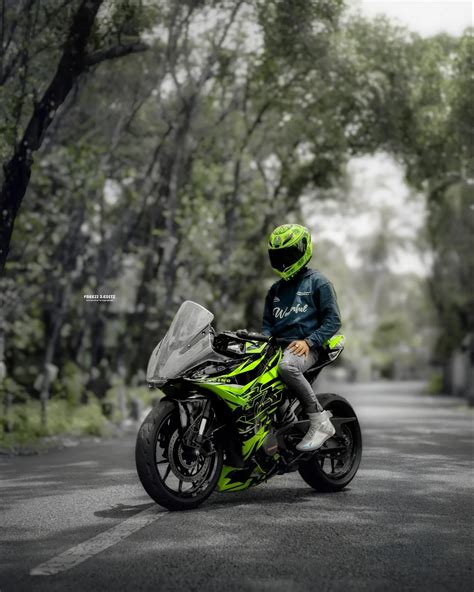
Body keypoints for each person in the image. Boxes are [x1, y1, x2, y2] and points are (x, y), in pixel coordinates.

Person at [262, 223, 341, 451]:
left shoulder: (318, 283)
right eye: (278, 256)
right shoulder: (275, 290)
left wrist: (309, 341)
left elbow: (333, 321)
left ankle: (320, 421)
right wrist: (262, 342)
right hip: (278, 348)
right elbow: (268, 326)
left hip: (309, 348)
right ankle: (284, 426)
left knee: (286, 367)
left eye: (288, 254)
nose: (283, 261)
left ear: (302, 251)